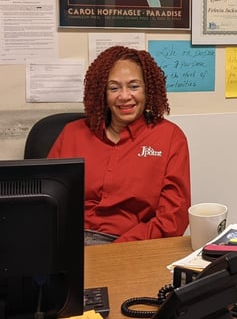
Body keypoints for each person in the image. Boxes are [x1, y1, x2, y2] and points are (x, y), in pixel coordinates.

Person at [48, 46, 191, 245]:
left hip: (130, 244)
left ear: (148, 89)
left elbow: (173, 218)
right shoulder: (72, 133)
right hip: (68, 241)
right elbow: (47, 200)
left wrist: (118, 250)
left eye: (134, 86)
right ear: (103, 94)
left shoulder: (170, 137)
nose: (124, 96)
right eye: (114, 88)